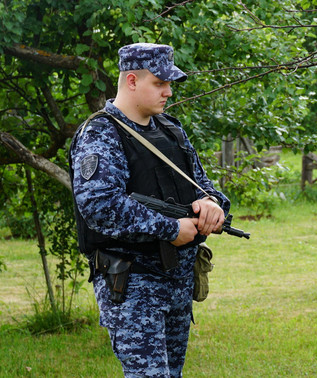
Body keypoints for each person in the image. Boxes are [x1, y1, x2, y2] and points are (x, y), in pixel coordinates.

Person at [69, 43, 230, 377]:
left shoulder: (170, 129)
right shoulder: (101, 133)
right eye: (159, 83)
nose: (168, 92)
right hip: (134, 283)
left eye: (169, 83)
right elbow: (99, 205)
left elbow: (202, 183)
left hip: (177, 281)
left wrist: (211, 204)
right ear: (131, 81)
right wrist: (171, 229)